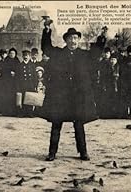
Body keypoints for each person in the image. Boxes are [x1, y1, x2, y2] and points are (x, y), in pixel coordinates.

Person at [41, 27, 97, 161]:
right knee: (56, 123)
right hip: (61, 96)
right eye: (71, 38)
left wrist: (101, 38)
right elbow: (46, 47)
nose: (74, 41)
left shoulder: (83, 55)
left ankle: (83, 152)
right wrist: (47, 31)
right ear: (66, 40)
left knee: (79, 124)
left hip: (77, 97)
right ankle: (52, 153)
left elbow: (96, 53)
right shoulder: (58, 53)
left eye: (76, 38)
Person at [15, 50, 37, 117]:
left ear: (29, 56)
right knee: (23, 98)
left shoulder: (32, 65)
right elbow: (17, 77)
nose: (26, 57)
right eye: (24, 55)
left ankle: (29, 113)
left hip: (30, 85)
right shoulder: (20, 65)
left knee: (29, 98)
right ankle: (23, 113)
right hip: (22, 85)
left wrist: (35, 85)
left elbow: (34, 76)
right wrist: (18, 87)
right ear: (22, 56)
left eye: (27, 55)